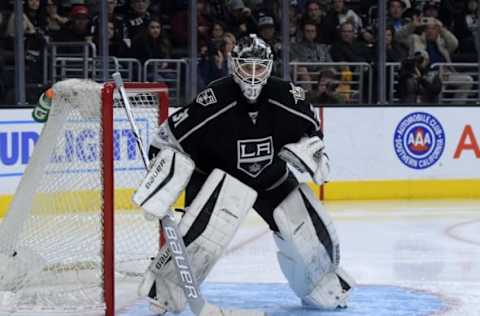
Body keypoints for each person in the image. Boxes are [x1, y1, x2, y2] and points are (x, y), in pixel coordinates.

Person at [133, 34, 354, 315]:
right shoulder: (212, 100)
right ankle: (165, 288)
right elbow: (166, 139)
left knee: (307, 232)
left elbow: (313, 129)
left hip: (270, 177)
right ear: (233, 66)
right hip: (217, 177)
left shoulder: (286, 96)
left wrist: (312, 149)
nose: (252, 75)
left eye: (258, 67)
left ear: (269, 67)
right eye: (246, 67)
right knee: (205, 237)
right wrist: (163, 176)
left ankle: (322, 283)